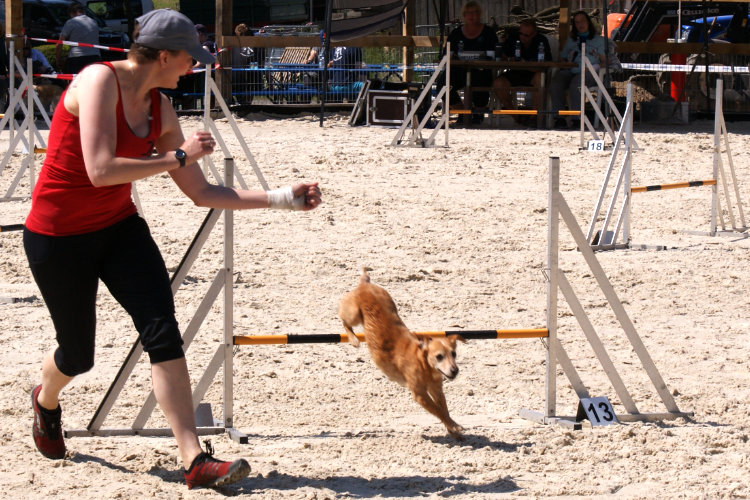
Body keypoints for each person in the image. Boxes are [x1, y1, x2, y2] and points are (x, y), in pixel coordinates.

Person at [24, 8, 322, 490]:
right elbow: (101, 169)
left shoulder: (160, 107)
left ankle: (195, 460)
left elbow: (202, 193)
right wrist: (177, 155)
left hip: (119, 228)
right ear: (164, 55)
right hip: (57, 237)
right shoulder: (97, 80)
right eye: (189, 58)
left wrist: (281, 199)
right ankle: (46, 401)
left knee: (163, 333)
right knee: (78, 356)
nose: (194, 66)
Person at [443, 1, 499, 125]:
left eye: (474, 12)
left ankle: (478, 112)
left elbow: (493, 54)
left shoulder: (488, 32)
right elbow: (447, 54)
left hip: (481, 69)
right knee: (443, 82)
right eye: (468, 13)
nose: (471, 16)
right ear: (464, 15)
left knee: (481, 80)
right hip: (459, 70)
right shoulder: (456, 33)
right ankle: (463, 112)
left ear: (479, 14)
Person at [549, 10, 606, 129]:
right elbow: (562, 58)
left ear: (589, 23)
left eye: (583, 21)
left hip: (590, 72)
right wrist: (566, 62)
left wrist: (593, 67)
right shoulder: (571, 40)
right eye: (577, 22)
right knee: (556, 82)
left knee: (577, 84)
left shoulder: (599, 40)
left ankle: (577, 119)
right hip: (571, 70)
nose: (580, 24)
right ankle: (559, 118)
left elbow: (605, 61)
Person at [493, 18, 551, 118]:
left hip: (533, 73)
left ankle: (534, 118)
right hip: (515, 72)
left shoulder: (541, 41)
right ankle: (515, 116)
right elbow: (503, 54)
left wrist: (526, 64)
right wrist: (506, 58)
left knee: (539, 78)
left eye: (526, 35)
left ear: (534, 34)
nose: (522, 37)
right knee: (498, 83)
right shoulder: (514, 38)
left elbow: (547, 63)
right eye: (521, 33)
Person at [56, 2, 101, 75]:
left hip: (77, 58)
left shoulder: (71, 22)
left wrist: (58, 59)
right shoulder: (94, 22)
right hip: (95, 57)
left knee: (76, 83)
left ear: (71, 13)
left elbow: (60, 43)